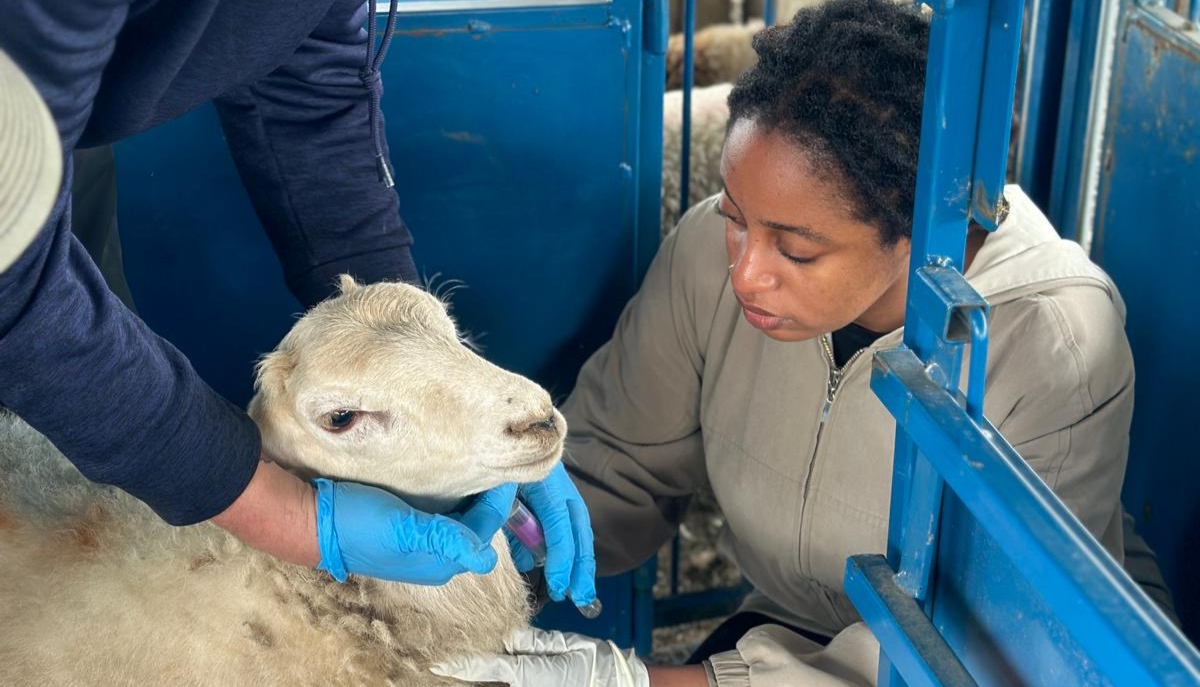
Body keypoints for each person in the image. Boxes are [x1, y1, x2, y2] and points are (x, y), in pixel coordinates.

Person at [433, 1, 1169, 685]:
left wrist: (626, 677)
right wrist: (491, 559)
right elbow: (617, 464)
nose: (745, 271)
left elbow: (980, 650)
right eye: (734, 215)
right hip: (790, 628)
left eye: (797, 250)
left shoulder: (1054, 340)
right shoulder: (705, 257)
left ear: (917, 233)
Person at [0, 0, 595, 608]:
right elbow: (12, 287)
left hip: (54, 146)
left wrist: (396, 333)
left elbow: (307, 82)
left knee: (73, 465)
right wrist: (273, 511)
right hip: (12, 165)